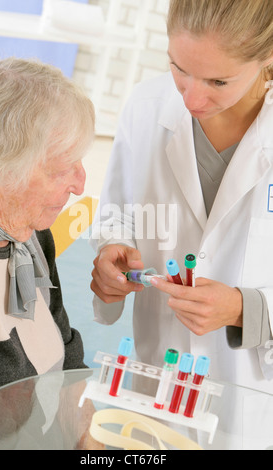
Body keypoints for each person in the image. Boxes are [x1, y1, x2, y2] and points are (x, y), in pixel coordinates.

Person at [90, 0, 273, 448]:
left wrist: (245, 309)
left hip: (254, 400)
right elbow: (117, 212)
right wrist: (110, 254)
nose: (191, 98)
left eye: (217, 81)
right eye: (179, 68)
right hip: (158, 382)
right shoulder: (147, 105)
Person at [0, 58, 94, 402]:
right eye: (60, 169)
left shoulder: (32, 237)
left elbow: (68, 352)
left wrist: (89, 441)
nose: (80, 186)